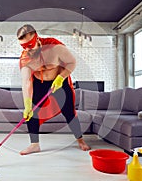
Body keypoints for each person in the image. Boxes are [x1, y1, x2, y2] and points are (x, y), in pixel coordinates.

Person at [17, 24, 91, 155]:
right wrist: (27, 104)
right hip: (39, 84)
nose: (27, 49)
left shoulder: (55, 48)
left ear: (37, 38)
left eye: (29, 44)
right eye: (23, 47)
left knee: (69, 112)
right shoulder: (26, 59)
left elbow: (72, 62)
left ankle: (80, 140)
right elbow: (26, 82)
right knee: (32, 113)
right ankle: (34, 145)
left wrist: (61, 78)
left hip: (59, 81)